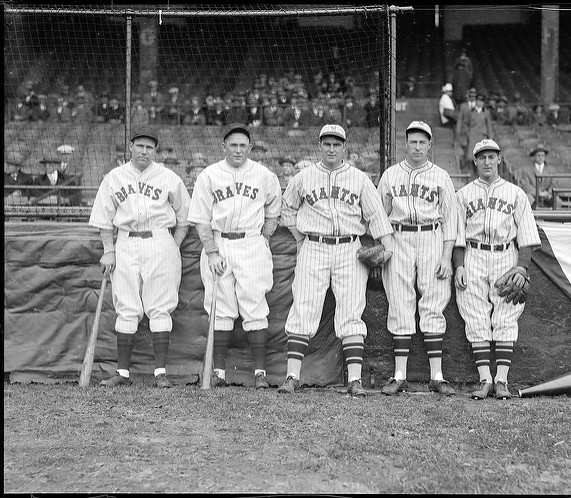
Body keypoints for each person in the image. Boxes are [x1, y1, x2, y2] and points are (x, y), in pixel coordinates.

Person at [277, 124, 394, 397]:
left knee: (352, 311)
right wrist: (298, 238)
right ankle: (292, 376)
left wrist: (386, 245)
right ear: (320, 145)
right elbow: (287, 207)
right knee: (303, 306)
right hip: (314, 246)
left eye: (336, 144)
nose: (331, 148)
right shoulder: (304, 177)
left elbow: (376, 214)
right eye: (327, 143)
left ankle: (354, 380)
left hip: (349, 248)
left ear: (345, 146)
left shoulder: (359, 178)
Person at [88, 126, 191, 388]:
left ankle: (160, 373)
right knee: (127, 307)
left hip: (160, 240)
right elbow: (104, 218)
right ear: (130, 146)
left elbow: (185, 217)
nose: (144, 151)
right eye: (140, 146)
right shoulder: (114, 177)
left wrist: (172, 245)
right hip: (126, 240)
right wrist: (108, 251)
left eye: (150, 147)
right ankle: (122, 373)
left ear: (156, 150)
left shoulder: (169, 177)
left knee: (160, 306)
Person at [187, 123, 282, 389]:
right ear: (223, 147)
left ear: (250, 148)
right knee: (220, 308)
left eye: (243, 145)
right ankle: (218, 373)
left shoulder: (264, 175)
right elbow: (201, 219)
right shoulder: (209, 175)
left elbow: (274, 209)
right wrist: (212, 251)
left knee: (255, 307)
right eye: (233, 145)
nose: (238, 150)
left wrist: (264, 237)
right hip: (220, 243)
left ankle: (260, 374)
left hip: (251, 242)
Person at [453, 139, 541, 400]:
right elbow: (457, 235)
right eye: (482, 157)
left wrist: (522, 268)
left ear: (500, 159)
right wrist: (458, 265)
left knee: (505, 317)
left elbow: (526, 235)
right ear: (475, 162)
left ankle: (501, 380)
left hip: (505, 256)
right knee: (475, 316)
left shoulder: (516, 193)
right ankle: (484, 380)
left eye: (491, 157)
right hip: (473, 254)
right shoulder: (463, 194)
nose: (487, 162)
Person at [376, 121, 458, 396]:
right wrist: (385, 244)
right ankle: (399, 375)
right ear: (406, 143)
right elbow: (379, 216)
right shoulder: (390, 175)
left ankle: (437, 375)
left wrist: (447, 257)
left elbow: (451, 221)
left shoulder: (441, 176)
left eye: (423, 142)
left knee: (433, 301)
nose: (418, 147)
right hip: (399, 237)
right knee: (399, 302)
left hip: (432, 236)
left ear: (430, 145)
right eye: (413, 141)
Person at [517, 144, 559, 209]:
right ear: (534, 156)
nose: (541, 157)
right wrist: (538, 193)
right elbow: (525, 185)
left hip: (548, 196)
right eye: (538, 155)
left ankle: (555, 218)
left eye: (542, 155)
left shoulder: (551, 170)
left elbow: (554, 183)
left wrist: (548, 193)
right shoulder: (527, 170)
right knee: (527, 199)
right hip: (533, 195)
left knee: (557, 201)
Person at [461, 94, 493, 176]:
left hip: (482, 137)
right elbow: (465, 123)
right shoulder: (471, 112)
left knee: (482, 156)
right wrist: (468, 134)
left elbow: (489, 126)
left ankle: (481, 174)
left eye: (482, 101)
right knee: (472, 156)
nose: (480, 103)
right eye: (479, 101)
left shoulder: (486, 113)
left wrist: (490, 138)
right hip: (473, 137)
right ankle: (475, 173)